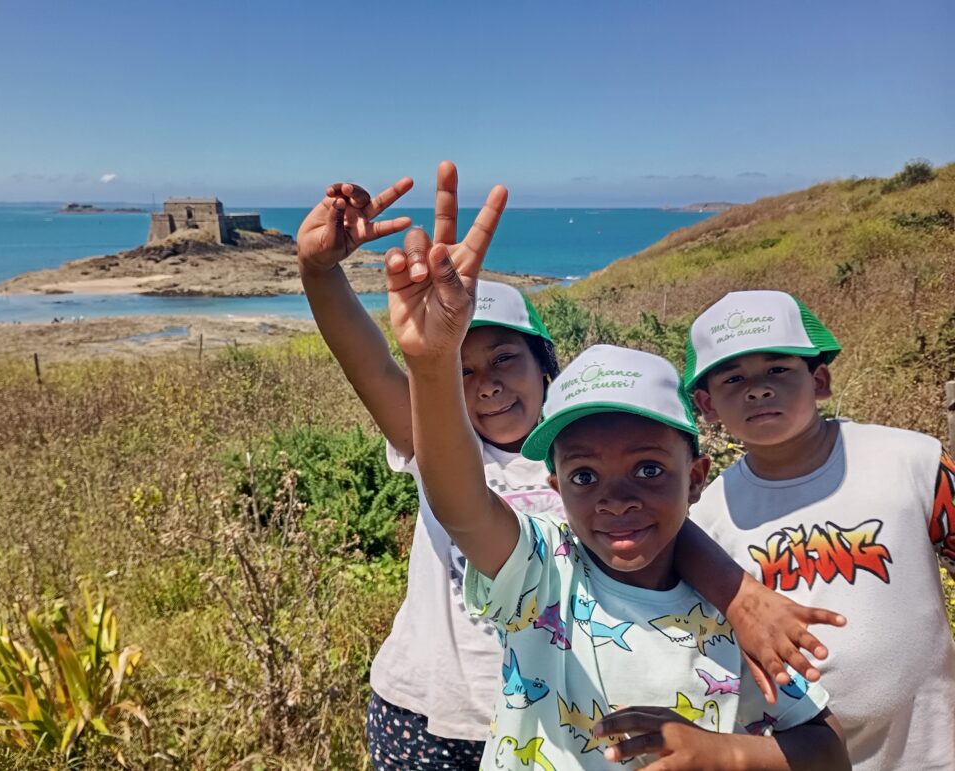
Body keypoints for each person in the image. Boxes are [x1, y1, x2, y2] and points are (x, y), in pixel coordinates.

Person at [296, 165, 843, 769]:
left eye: (504, 359)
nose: (485, 385)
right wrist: (377, 319)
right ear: (560, 486)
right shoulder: (452, 450)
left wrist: (737, 599)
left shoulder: (590, 448)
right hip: (437, 706)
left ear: (544, 366)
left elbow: (671, 536)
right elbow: (461, 502)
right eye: (463, 370)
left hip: (568, 709)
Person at [684, 289, 955, 771]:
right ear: (707, 405)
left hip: (930, 749)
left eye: (778, 370)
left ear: (820, 379)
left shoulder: (912, 461)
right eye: (733, 378)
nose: (758, 388)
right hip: (792, 757)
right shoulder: (705, 517)